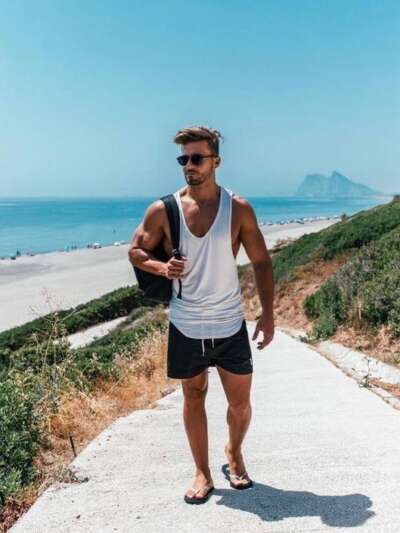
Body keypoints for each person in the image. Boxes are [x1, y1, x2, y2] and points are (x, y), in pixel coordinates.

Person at [128, 125, 274, 504]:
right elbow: (136, 250)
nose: (189, 165)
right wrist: (162, 268)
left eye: (197, 158)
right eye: (184, 158)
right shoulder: (164, 210)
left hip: (229, 322)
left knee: (240, 404)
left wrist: (268, 314)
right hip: (186, 323)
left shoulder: (237, 209)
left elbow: (261, 261)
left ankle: (234, 452)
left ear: (216, 161)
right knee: (193, 398)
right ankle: (202, 472)